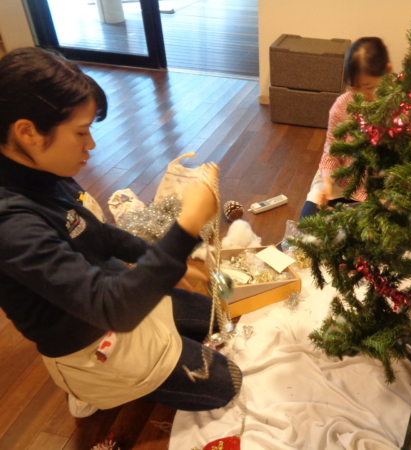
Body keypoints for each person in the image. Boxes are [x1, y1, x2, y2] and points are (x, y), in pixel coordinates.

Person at [0, 47, 241, 418]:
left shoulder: (42, 172)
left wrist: (166, 261)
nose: (91, 145)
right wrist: (187, 225)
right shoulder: (11, 223)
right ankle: (89, 388)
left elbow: (97, 234)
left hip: (113, 297)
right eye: (81, 132)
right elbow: (111, 308)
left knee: (217, 313)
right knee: (230, 383)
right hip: (90, 339)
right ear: (28, 132)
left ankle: (151, 344)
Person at [300, 37, 392, 218]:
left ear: (388, 71)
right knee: (308, 223)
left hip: (382, 189)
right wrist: (327, 182)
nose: (361, 95)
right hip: (342, 183)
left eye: (368, 87)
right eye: (354, 87)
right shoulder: (342, 106)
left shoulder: (399, 105)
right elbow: (332, 151)